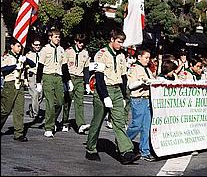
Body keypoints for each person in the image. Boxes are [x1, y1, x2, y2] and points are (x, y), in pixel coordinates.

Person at [85, 28, 141, 164]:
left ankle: (126, 152)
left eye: (122, 42)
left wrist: (123, 96)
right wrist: (105, 96)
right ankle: (90, 149)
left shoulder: (121, 56)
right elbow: (99, 77)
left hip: (116, 90)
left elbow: (123, 77)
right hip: (103, 90)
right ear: (112, 40)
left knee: (119, 122)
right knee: (97, 122)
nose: (121, 44)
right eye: (119, 42)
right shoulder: (101, 54)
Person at [36, 28, 73, 138]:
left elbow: (65, 67)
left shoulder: (62, 50)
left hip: (59, 78)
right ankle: (49, 127)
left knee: (60, 102)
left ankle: (52, 120)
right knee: (50, 103)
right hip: (48, 77)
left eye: (59, 37)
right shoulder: (45, 49)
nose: (57, 39)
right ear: (50, 38)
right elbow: (40, 66)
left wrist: (69, 80)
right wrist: (38, 82)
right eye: (55, 37)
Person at [1, 38, 36, 142]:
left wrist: (25, 59)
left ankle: (18, 133)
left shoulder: (21, 57)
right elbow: (3, 69)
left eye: (21, 46)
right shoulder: (7, 57)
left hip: (20, 85)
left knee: (19, 110)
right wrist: (15, 66)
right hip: (10, 84)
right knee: (5, 110)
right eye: (18, 46)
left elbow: (33, 65)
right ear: (12, 46)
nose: (20, 48)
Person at [126, 48, 155, 162]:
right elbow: (131, 85)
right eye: (146, 57)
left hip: (147, 99)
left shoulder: (147, 69)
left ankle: (145, 151)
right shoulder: (134, 68)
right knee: (136, 125)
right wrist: (142, 82)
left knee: (146, 127)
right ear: (139, 57)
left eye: (148, 58)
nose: (148, 60)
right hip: (138, 99)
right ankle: (124, 142)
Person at [61, 33, 91, 134]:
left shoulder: (85, 53)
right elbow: (64, 66)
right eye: (79, 42)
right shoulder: (68, 51)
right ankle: (65, 122)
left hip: (80, 78)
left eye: (83, 43)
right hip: (70, 77)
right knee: (67, 101)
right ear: (75, 41)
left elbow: (86, 69)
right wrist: (67, 80)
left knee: (80, 102)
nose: (81, 44)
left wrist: (87, 83)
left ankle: (80, 124)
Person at [25, 37, 43, 121]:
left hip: (41, 76)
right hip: (32, 76)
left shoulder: (43, 54)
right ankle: (36, 114)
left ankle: (32, 107)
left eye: (39, 45)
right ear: (32, 45)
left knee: (40, 95)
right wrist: (25, 79)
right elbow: (24, 68)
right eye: (36, 45)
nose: (38, 46)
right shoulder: (28, 55)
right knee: (35, 94)